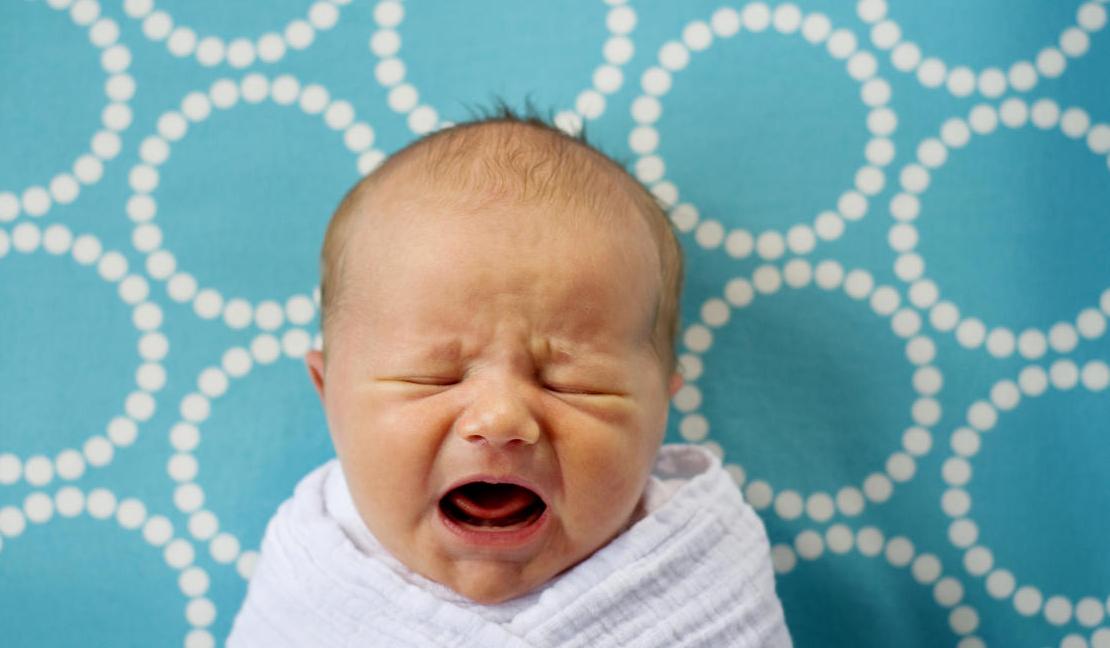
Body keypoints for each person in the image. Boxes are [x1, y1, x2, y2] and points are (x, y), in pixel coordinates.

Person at [228, 110, 791, 647]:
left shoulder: (700, 569)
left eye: (573, 383)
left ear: (660, 411)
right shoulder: (312, 572)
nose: (500, 419)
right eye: (433, 376)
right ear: (329, 395)